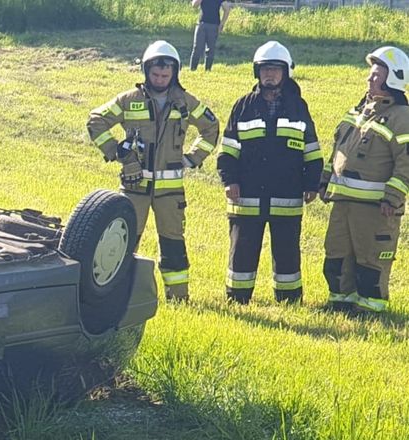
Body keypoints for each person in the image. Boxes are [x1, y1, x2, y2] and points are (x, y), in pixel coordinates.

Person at [87, 40, 221, 301]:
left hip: (170, 192)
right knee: (125, 242)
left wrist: (192, 158)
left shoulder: (185, 102)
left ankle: (178, 298)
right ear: (146, 71)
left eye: (165, 75)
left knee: (173, 244)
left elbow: (211, 128)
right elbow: (96, 120)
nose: (160, 79)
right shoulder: (128, 100)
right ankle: (117, 296)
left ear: (174, 73)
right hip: (134, 187)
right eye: (155, 74)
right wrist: (118, 154)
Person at [216, 41, 322, 304]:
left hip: (287, 194)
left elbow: (311, 149)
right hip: (247, 195)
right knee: (242, 249)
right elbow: (228, 149)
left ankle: (289, 300)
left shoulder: (299, 107)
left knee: (287, 251)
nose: (270, 75)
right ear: (257, 72)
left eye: (275, 70)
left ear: (286, 73)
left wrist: (311, 183)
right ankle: (237, 298)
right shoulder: (243, 106)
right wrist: (229, 181)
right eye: (265, 70)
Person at [320, 46, 409, 314]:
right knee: (336, 256)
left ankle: (370, 310)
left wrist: (393, 197)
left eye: (376, 75)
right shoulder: (358, 111)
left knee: (370, 262)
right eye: (370, 75)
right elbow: (337, 149)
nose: (369, 80)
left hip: (376, 208)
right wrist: (324, 181)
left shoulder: (402, 118)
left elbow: (406, 161)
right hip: (343, 203)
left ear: (392, 79)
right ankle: (340, 304)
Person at [190, 0, 232, 72]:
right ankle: (193, 69)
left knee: (209, 49)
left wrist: (222, 24)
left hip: (212, 25)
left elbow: (227, 9)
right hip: (202, 23)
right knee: (197, 48)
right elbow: (194, 5)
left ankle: (207, 70)